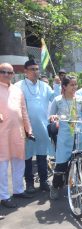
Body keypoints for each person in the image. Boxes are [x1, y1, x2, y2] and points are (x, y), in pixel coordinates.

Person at [15, 59, 61, 193]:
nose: (35, 72)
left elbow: (55, 100)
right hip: (26, 128)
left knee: (42, 156)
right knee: (27, 157)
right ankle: (29, 183)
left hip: (42, 127)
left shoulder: (45, 86)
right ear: (25, 72)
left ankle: (44, 181)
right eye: (32, 69)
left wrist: (57, 85)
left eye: (37, 69)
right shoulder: (18, 86)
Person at [48, 76, 82, 199]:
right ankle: (55, 186)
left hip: (80, 134)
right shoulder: (58, 100)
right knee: (61, 164)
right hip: (65, 136)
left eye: (76, 85)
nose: (75, 87)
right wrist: (53, 117)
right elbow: (50, 115)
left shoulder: (80, 99)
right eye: (72, 85)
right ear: (64, 86)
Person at [0, 63, 34, 208]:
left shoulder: (17, 90)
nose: (7, 75)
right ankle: (4, 196)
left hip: (18, 132)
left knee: (19, 162)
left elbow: (23, 111)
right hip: (2, 133)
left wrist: (29, 130)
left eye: (10, 72)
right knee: (2, 165)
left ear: (13, 74)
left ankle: (18, 190)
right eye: (3, 72)